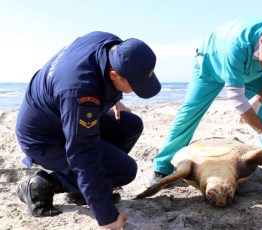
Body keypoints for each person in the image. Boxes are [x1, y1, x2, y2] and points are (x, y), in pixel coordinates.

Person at [16, 31, 161, 229]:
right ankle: (42, 184)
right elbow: (82, 153)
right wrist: (107, 218)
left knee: (130, 125)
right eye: (135, 86)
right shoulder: (79, 91)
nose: (136, 90)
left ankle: (81, 188)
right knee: (125, 170)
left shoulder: (108, 44)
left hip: (63, 114)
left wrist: (115, 99)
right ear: (114, 75)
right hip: (44, 137)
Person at [151, 18, 262, 188]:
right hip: (211, 65)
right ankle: (163, 167)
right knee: (189, 112)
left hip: (248, 71)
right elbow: (236, 97)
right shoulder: (237, 45)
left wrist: (258, 100)